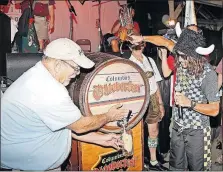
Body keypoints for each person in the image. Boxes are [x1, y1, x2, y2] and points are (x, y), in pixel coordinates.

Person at [1, 38, 129, 171]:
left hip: (29, 159)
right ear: (57, 65)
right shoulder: (49, 90)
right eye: (75, 68)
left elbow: (63, 124)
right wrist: (109, 116)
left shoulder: (38, 75)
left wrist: (99, 139)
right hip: (29, 165)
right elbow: (80, 126)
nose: (76, 75)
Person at [129, 23, 220, 171]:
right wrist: (141, 37)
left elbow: (215, 109)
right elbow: (163, 41)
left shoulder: (208, 74)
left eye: (184, 57)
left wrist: (190, 103)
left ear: (195, 55)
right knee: (175, 168)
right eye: (179, 55)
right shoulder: (180, 54)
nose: (180, 60)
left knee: (199, 169)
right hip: (178, 128)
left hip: (197, 131)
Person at [129, 44, 168, 171]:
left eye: (141, 45)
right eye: (135, 47)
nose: (139, 48)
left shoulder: (150, 60)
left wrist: (160, 103)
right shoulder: (128, 63)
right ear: (130, 48)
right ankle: (138, 160)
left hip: (152, 98)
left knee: (154, 131)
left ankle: (153, 160)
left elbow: (155, 83)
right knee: (135, 133)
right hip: (137, 100)